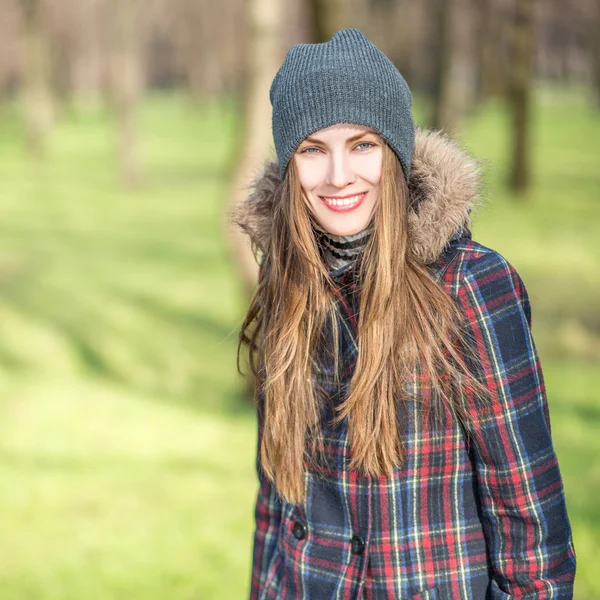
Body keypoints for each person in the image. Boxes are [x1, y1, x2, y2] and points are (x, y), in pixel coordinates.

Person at [234, 28, 576, 600]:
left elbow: (531, 535)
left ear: (393, 152)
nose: (339, 175)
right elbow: (276, 497)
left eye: (362, 145)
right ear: (290, 164)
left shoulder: (471, 287)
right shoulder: (284, 282)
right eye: (313, 150)